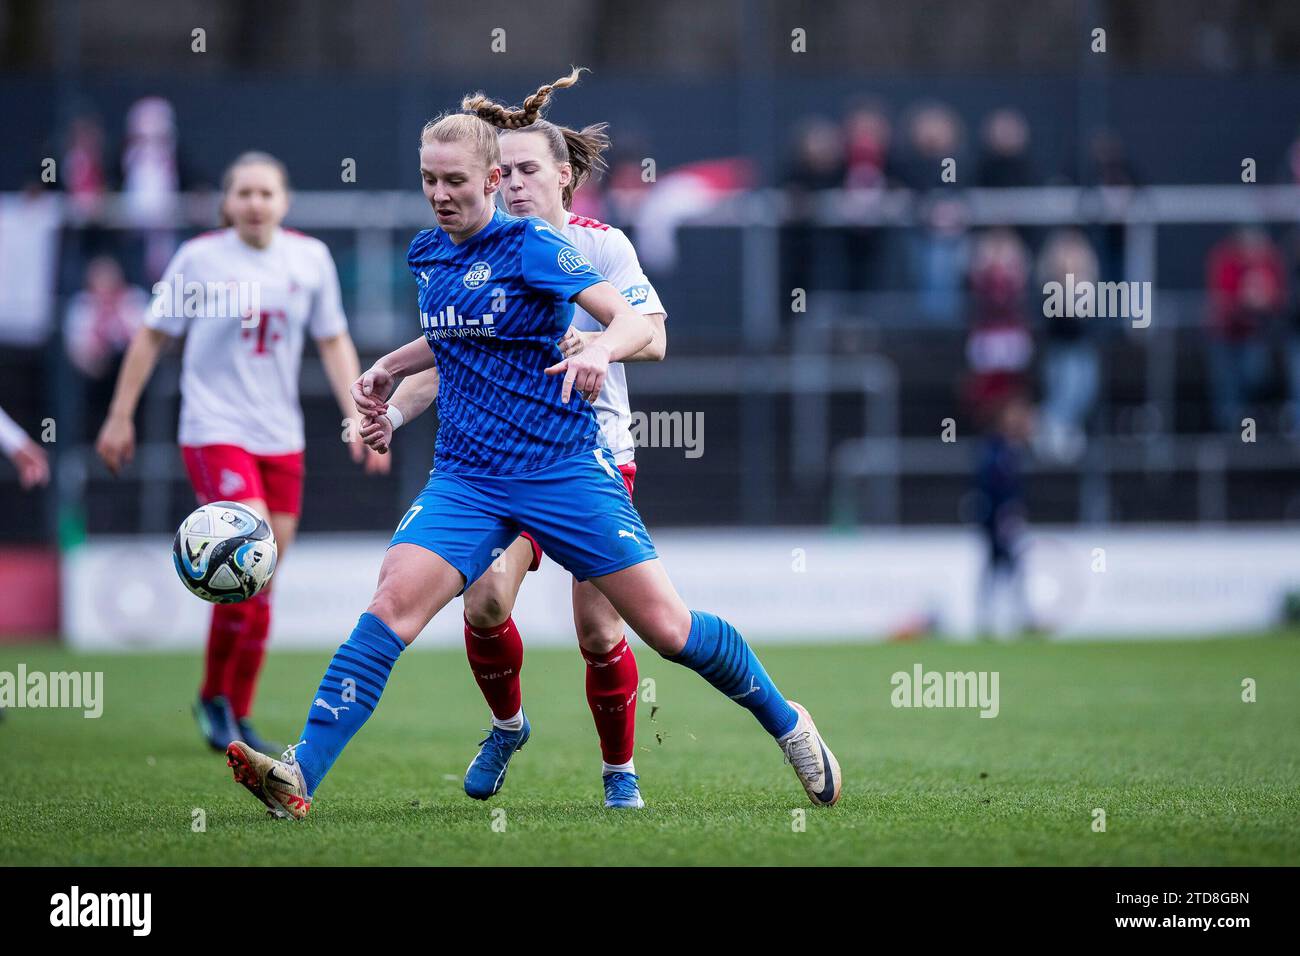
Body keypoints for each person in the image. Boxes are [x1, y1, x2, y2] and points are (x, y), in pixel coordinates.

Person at [225, 75, 841, 821]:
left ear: (490, 180)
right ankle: (301, 773)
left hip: (563, 472)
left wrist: (597, 350)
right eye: (429, 180)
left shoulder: (541, 246)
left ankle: (788, 722)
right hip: (467, 479)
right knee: (393, 604)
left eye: (456, 181)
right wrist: (391, 372)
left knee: (667, 631)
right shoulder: (429, 254)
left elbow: (637, 324)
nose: (441, 194)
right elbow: (462, 333)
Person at [361, 77, 667, 810]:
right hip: (501, 462)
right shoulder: (474, 251)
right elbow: (448, 354)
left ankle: (619, 772)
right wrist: (390, 417)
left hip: (588, 454)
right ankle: (507, 726)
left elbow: (652, 337)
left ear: (564, 176)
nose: (518, 182)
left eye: (532, 169)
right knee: (485, 605)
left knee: (598, 632)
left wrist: (593, 343)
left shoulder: (601, 246)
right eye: (509, 170)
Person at [95, 151, 388, 754]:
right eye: (244, 193)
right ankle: (214, 699)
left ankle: (237, 711)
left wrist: (359, 416)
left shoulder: (309, 260)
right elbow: (151, 336)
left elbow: (333, 342)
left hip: (280, 435)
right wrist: (120, 415)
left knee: (264, 578)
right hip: (213, 428)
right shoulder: (199, 259)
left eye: (266, 193)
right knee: (245, 560)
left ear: (284, 201)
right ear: (227, 203)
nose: (255, 203)